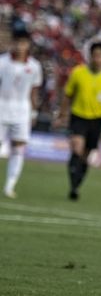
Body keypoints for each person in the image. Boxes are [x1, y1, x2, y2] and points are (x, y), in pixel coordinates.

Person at [54, 42, 101, 201]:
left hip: (97, 120)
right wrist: (62, 115)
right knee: (77, 148)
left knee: (85, 156)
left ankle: (76, 185)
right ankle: (72, 186)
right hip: (78, 116)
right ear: (90, 56)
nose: (97, 59)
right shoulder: (78, 73)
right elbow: (68, 95)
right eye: (95, 55)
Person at [0, 30, 42, 198]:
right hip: (2, 107)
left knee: (18, 148)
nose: (20, 46)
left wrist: (33, 112)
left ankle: (10, 186)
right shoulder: (2, 62)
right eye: (17, 42)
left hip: (22, 111)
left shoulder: (34, 66)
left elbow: (34, 91)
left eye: (23, 43)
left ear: (28, 45)